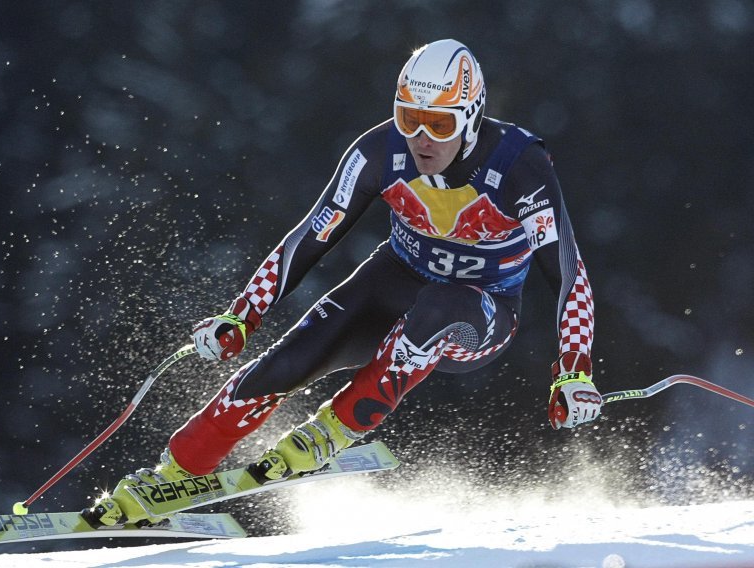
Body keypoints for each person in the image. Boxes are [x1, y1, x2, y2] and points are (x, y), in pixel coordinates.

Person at [84, 38, 602, 527]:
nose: (421, 139)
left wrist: (573, 369)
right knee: (287, 361)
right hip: (395, 279)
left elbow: (568, 272)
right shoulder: (379, 152)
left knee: (439, 308)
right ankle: (170, 474)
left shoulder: (519, 167)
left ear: (471, 119)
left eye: (439, 125)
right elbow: (310, 236)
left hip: (482, 312)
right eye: (408, 119)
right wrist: (241, 316)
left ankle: (334, 429)